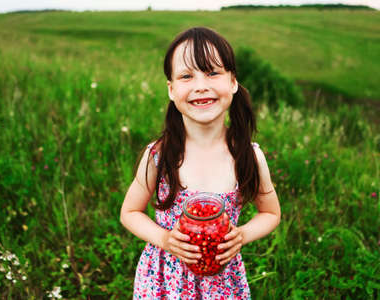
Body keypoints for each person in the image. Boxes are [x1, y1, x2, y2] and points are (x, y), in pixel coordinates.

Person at [120, 26, 281, 299]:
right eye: (186, 76)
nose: (200, 86)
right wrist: (165, 240)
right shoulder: (159, 156)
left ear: (232, 82)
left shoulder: (248, 156)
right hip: (163, 282)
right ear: (171, 90)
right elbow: (130, 212)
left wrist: (241, 235)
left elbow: (271, 213)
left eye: (212, 73)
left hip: (222, 282)